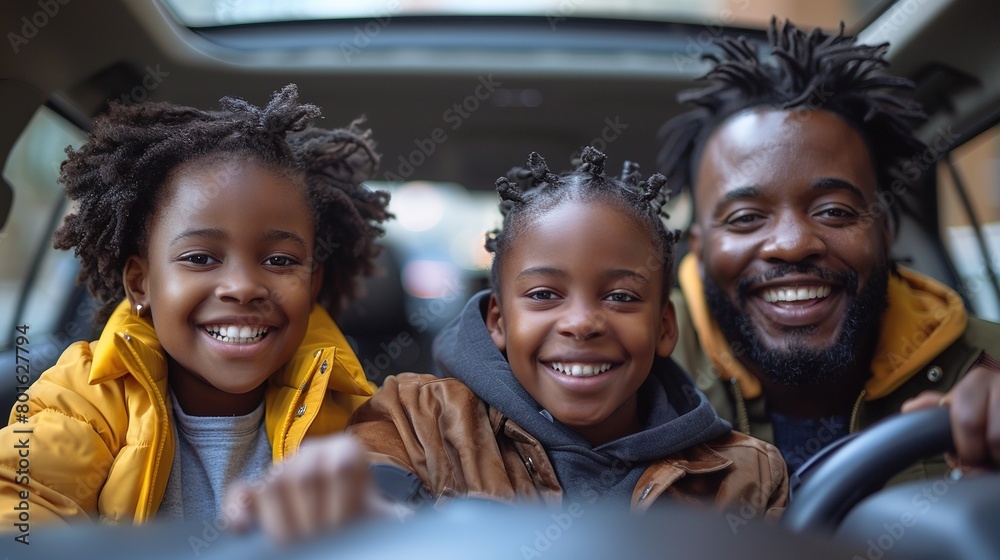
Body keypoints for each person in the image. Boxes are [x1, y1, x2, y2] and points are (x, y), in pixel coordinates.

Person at [225, 147, 788, 543]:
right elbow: (370, 486)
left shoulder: (744, 473)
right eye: (544, 294)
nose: (582, 323)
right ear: (498, 321)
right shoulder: (418, 417)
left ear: (665, 328)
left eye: (620, 297)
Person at [0, 84, 391, 527]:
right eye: (200, 258)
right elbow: (22, 502)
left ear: (312, 283)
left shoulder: (358, 411)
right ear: (140, 283)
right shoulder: (83, 396)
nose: (243, 288)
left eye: (280, 260)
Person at [657, 19, 1000, 476]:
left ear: (882, 233)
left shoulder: (990, 364)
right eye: (745, 218)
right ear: (698, 250)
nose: (793, 244)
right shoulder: (631, 369)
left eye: (834, 211)